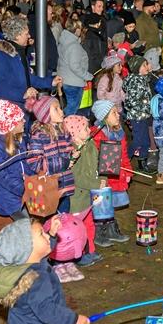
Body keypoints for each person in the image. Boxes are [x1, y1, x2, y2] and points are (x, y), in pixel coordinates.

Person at [0, 16, 60, 111]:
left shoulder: (19, 52)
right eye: (26, 33)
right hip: (4, 110)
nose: (29, 36)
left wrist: (50, 82)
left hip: (19, 106)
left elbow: (28, 78)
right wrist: (22, 94)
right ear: (17, 35)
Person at [62, 114, 103, 268]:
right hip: (77, 198)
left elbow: (96, 164)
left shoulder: (90, 144)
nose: (89, 130)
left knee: (90, 223)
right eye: (85, 128)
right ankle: (78, 254)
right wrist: (96, 184)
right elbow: (77, 178)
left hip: (89, 194)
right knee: (77, 228)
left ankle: (90, 249)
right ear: (74, 132)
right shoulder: (72, 152)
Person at [90, 99, 133, 247]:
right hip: (103, 178)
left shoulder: (119, 132)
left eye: (117, 112)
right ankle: (99, 231)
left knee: (111, 204)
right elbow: (94, 159)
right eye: (114, 113)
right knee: (101, 205)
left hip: (117, 174)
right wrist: (100, 177)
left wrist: (128, 170)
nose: (118, 115)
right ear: (104, 117)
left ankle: (111, 229)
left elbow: (124, 154)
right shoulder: (96, 135)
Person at [123, 55, 155, 171]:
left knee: (146, 141)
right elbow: (130, 101)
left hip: (144, 115)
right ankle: (124, 159)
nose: (147, 66)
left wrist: (149, 72)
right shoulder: (134, 81)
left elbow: (147, 79)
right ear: (137, 68)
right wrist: (144, 106)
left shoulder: (141, 78)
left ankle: (142, 162)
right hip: (137, 116)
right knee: (137, 141)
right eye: (144, 65)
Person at [57, 17, 93, 115]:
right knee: (72, 109)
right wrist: (88, 76)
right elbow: (75, 66)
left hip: (65, 79)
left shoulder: (63, 41)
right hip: (74, 82)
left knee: (69, 106)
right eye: (80, 29)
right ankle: (64, 126)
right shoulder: (74, 45)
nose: (81, 31)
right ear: (76, 30)